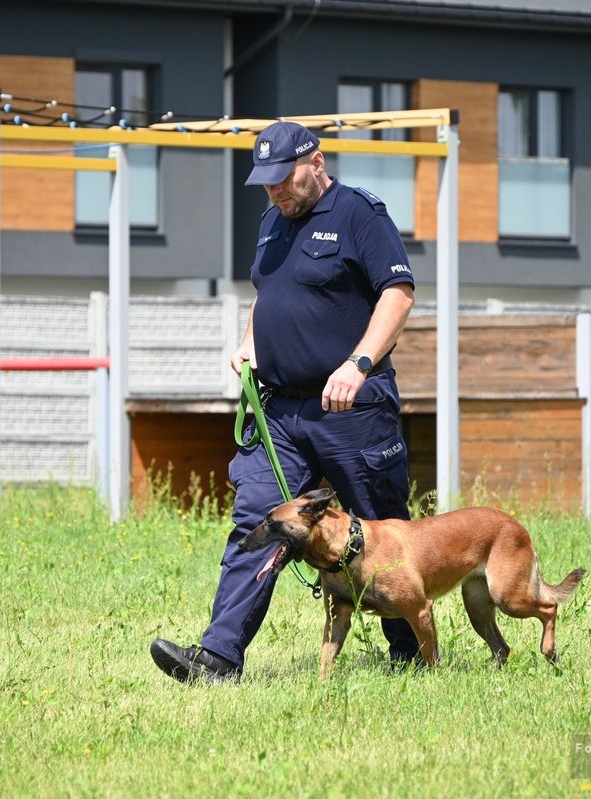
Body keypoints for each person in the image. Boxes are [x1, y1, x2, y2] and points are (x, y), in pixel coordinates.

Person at [150, 120, 419, 683]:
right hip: (281, 411)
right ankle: (219, 659)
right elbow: (269, 294)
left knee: (380, 525)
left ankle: (410, 652)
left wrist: (359, 364)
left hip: (352, 408)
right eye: (266, 181)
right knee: (258, 519)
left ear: (315, 163)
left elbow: (398, 294)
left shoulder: (360, 215)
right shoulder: (273, 220)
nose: (274, 190)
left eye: (283, 178)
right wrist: (252, 341)